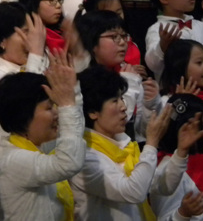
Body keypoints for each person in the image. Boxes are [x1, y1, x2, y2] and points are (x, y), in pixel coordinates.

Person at [70, 65, 178, 221]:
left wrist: (182, 152)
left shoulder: (125, 145)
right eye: (115, 100)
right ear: (93, 112)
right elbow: (134, 192)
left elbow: (160, 186)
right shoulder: (84, 157)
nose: (123, 107)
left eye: (122, 98)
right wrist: (152, 142)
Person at [0, 54, 86, 221]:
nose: (57, 112)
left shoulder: (34, 145)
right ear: (24, 115)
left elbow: (74, 135)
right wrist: (67, 104)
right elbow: (69, 162)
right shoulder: (13, 160)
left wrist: (72, 92)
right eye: (49, 108)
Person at [0, 2, 47, 149]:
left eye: (34, 34)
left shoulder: (41, 63)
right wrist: (36, 54)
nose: (32, 41)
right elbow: (24, 107)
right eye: (25, 33)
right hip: (15, 159)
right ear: (3, 40)